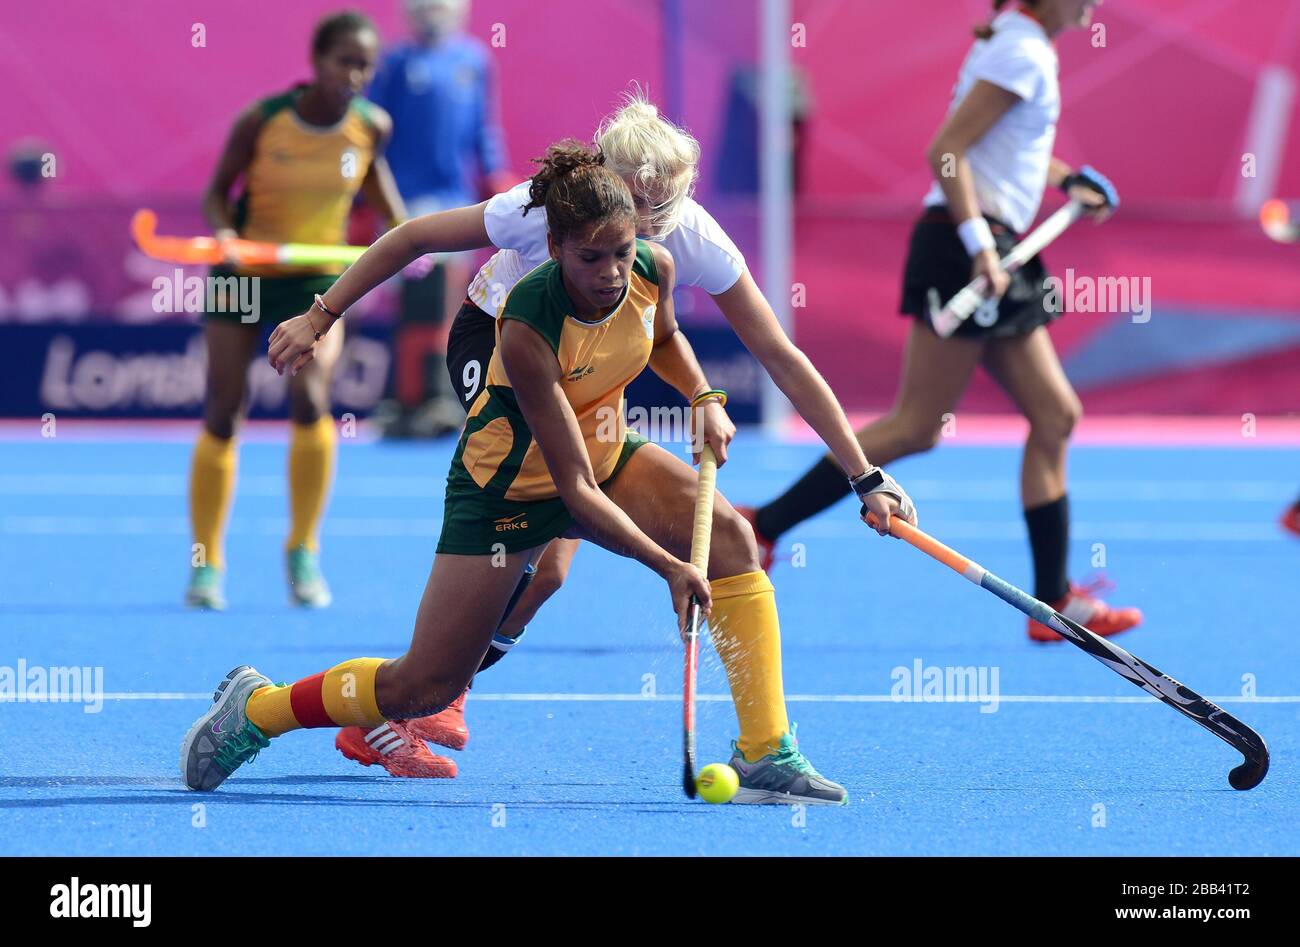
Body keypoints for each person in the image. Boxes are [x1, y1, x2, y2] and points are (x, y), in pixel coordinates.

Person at [180, 141, 915, 804]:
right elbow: (577, 495)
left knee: (726, 537)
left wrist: (712, 400)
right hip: (510, 481)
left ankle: (764, 750)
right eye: (596, 253)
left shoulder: (652, 256)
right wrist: (665, 565)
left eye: (631, 244)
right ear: (559, 242)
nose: (617, 266)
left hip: (594, 436)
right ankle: (260, 707)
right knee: (419, 679)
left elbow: (669, 332)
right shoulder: (526, 315)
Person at [739, 0, 1142, 644]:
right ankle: (762, 524)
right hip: (968, 249)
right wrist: (980, 242)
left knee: (1054, 413)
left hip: (985, 244)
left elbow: (995, 152)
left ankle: (1053, 601)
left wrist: (1068, 180)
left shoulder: (1016, 43)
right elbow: (947, 151)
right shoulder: (1023, 51)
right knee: (917, 425)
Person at [186, 10, 407, 610]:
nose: (355, 75)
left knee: (311, 399)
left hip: (317, 281)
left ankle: (303, 551)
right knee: (224, 409)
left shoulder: (371, 126)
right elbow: (215, 194)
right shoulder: (262, 120)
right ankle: (208, 563)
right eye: (344, 62)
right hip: (242, 274)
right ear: (316, 62)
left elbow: (386, 203)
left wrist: (408, 238)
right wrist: (227, 236)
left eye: (365, 64)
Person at [367, 0, 513, 438]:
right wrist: (367, 199)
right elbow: (371, 134)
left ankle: (437, 398)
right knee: (417, 303)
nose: (433, 13)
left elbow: (485, 130)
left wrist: (497, 177)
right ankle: (405, 400)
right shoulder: (394, 63)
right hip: (404, 205)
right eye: (424, 6)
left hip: (456, 202)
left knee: (448, 302)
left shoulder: (475, 60)